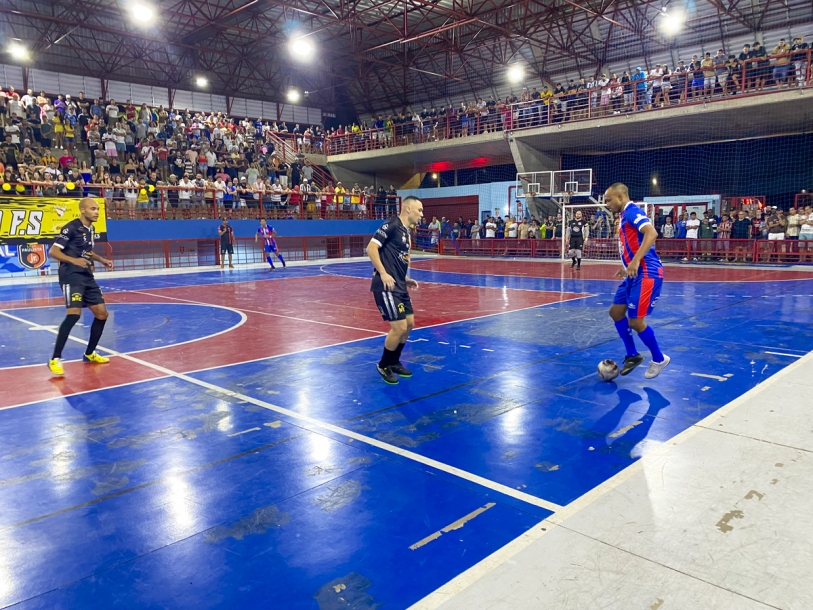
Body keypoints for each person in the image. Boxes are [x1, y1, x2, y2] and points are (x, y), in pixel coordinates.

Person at [604, 183, 669, 379]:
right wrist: (628, 267)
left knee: (635, 320)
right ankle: (632, 354)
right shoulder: (624, 216)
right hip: (634, 273)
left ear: (621, 198)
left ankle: (659, 359)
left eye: (609, 200)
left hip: (647, 272)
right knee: (616, 312)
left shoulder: (632, 212)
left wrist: (634, 261)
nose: (606, 204)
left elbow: (652, 233)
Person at [47, 198, 114, 375]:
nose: (97, 212)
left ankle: (90, 353)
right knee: (74, 315)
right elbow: (53, 251)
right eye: (93, 209)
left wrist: (102, 260)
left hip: (86, 275)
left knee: (102, 314)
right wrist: (73, 260)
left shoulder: (90, 229)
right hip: (71, 275)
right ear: (82, 210)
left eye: (98, 209)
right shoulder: (71, 228)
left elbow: (87, 251)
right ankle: (55, 359)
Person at [366, 196, 424, 385]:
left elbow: (398, 259)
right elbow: (371, 248)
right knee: (398, 327)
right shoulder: (391, 225)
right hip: (386, 286)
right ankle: (383, 365)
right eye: (419, 210)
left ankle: (394, 362)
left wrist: (405, 279)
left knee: (409, 324)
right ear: (408, 208)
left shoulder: (406, 233)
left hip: (399, 285)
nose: (421, 214)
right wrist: (383, 273)